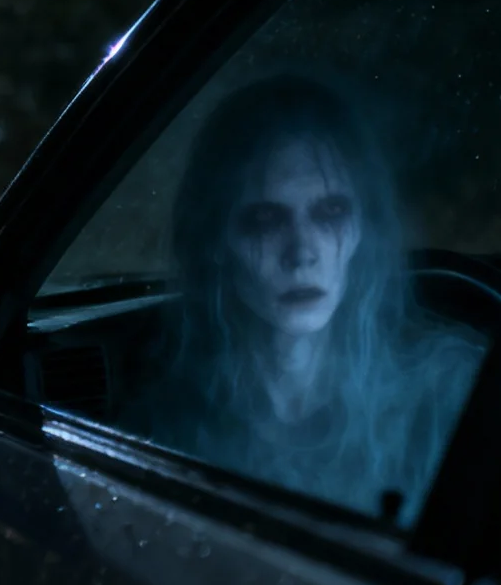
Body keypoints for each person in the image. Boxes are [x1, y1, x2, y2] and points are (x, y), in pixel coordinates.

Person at [145, 74, 483, 521]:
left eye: (331, 212)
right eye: (265, 218)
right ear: (216, 240)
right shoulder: (166, 430)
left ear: (364, 225)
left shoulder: (448, 392)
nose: (302, 253)